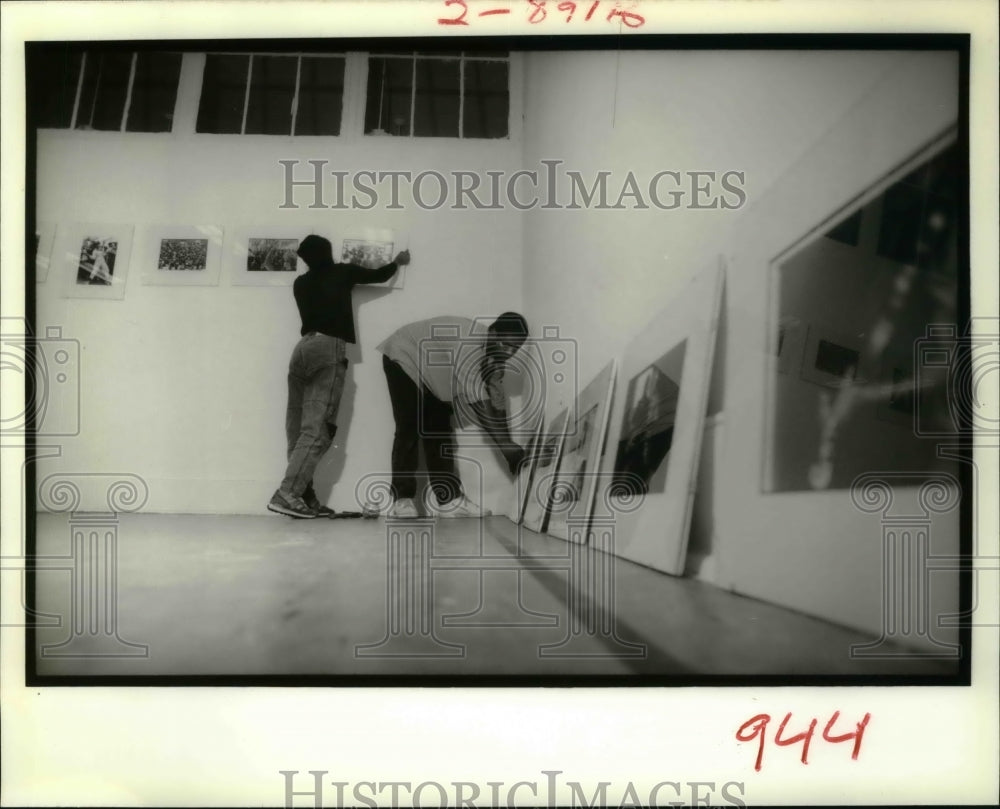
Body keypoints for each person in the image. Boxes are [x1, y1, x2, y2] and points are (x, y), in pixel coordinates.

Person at [267, 235, 411, 519]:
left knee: (297, 430)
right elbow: (380, 275)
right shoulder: (342, 272)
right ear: (328, 252)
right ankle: (288, 493)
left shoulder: (300, 283)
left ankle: (305, 497)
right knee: (317, 428)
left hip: (302, 350)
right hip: (328, 349)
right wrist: (397, 262)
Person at [377, 312, 529, 518]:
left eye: (515, 348)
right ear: (492, 333)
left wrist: (508, 445)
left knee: (439, 430)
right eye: (505, 344)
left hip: (431, 371)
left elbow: (496, 404)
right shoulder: (471, 342)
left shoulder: (495, 359)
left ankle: (448, 500)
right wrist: (506, 447)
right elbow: (479, 401)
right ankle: (402, 499)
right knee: (409, 425)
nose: (509, 352)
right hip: (405, 353)